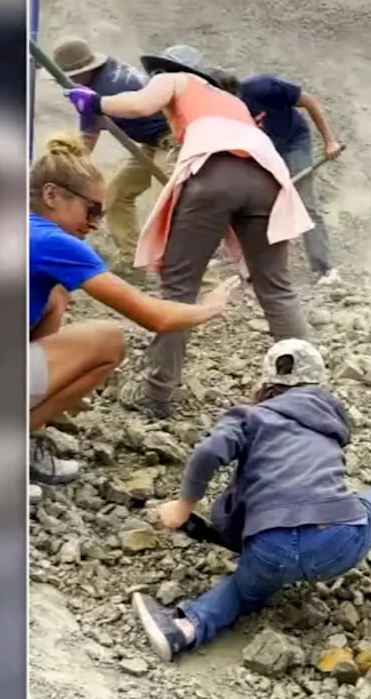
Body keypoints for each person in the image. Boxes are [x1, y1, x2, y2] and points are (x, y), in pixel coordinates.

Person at [129, 339, 371, 662]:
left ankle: (185, 629)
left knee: (246, 590)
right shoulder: (329, 426)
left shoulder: (250, 417)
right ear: (318, 385)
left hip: (269, 551)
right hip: (338, 541)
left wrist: (184, 506)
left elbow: (208, 451)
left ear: (267, 384)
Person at [66, 44, 312, 421]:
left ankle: (157, 393)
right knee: (276, 288)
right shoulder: (233, 102)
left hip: (214, 175)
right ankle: (305, 392)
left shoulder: (175, 79)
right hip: (268, 176)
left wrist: (95, 103)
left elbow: (136, 106)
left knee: (180, 285)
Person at [28, 133, 241, 488]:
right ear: (51, 195)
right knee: (108, 341)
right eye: (92, 210)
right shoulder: (52, 241)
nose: (95, 223)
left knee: (54, 296)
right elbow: (153, 316)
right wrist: (210, 307)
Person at [51, 37, 178, 280]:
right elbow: (90, 132)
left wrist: (71, 168)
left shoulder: (109, 86)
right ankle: (132, 261)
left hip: (173, 141)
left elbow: (91, 130)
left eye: (71, 78)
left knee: (182, 200)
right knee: (117, 194)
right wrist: (73, 167)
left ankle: (194, 272)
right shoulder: (99, 81)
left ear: (83, 72)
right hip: (150, 144)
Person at [236, 71, 343, 285]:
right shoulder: (224, 109)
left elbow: (309, 102)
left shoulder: (262, 87)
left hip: (294, 142)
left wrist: (329, 141)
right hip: (263, 148)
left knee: (305, 203)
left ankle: (324, 269)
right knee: (258, 205)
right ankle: (259, 267)